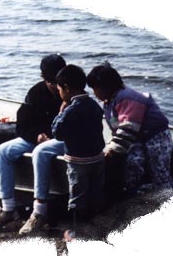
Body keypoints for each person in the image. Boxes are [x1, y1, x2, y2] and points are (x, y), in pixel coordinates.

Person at [19, 64, 106, 235]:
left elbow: (57, 133)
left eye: (59, 89)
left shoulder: (70, 110)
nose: (59, 93)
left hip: (78, 162)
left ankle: (76, 232)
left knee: (77, 198)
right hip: (97, 158)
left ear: (66, 88)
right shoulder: (94, 105)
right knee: (95, 193)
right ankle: (96, 225)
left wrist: (60, 112)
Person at [0, 54, 66, 231]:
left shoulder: (70, 90)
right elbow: (22, 124)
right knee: (3, 151)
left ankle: (39, 211)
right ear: (44, 79)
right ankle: (7, 208)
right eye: (51, 82)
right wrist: (37, 135)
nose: (55, 87)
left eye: (58, 82)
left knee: (41, 152)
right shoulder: (36, 92)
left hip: (62, 141)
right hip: (39, 139)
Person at [86, 61, 173, 198]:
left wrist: (110, 150)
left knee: (159, 169)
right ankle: (136, 194)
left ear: (106, 87)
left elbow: (127, 129)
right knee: (133, 163)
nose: (94, 93)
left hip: (156, 137)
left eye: (95, 88)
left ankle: (165, 197)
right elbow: (117, 129)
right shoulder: (109, 102)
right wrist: (110, 146)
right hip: (137, 139)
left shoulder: (126, 97)